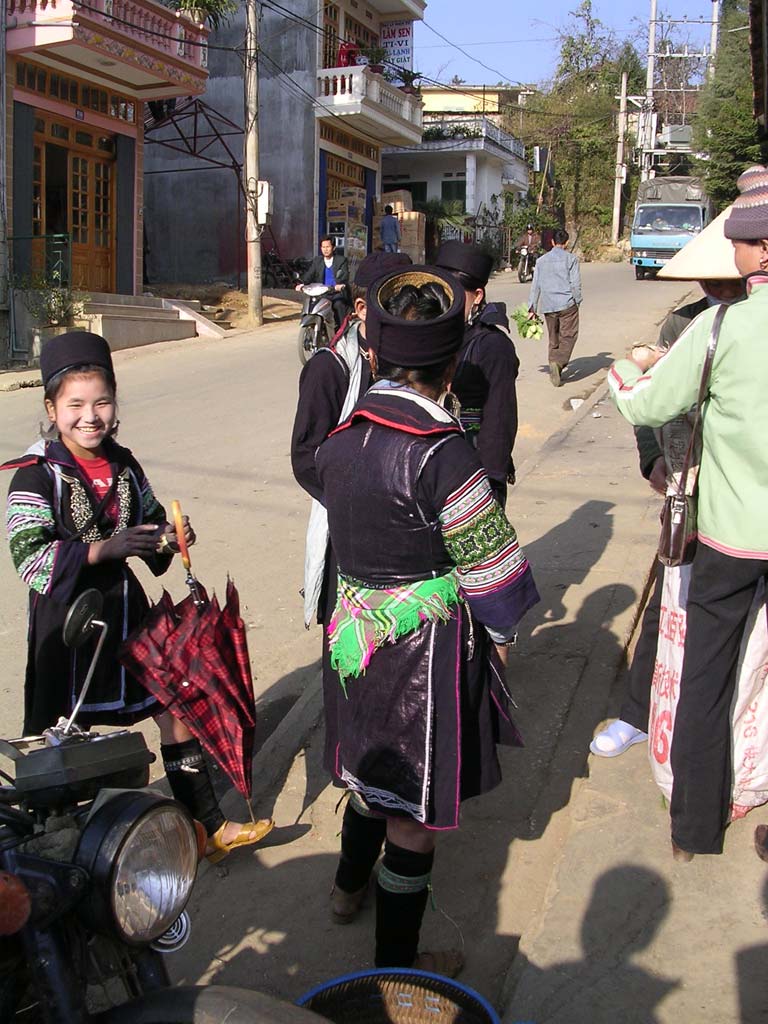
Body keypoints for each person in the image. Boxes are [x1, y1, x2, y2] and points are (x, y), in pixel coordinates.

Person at [316, 265, 539, 972]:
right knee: (411, 822)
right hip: (423, 654)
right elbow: (493, 572)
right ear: (450, 369)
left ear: (374, 355)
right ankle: (395, 970)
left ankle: (345, 890)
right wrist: (501, 643)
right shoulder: (447, 455)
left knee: (366, 780)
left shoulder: (339, 442)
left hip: (353, 642)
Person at [2, 331, 273, 864]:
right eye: (75, 404)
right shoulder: (34, 477)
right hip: (70, 628)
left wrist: (171, 537)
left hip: (127, 614)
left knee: (174, 708)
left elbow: (148, 528)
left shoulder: (124, 466)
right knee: (60, 740)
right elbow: (29, 558)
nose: (90, 416)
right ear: (51, 409)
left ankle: (208, 829)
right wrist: (103, 549)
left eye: (101, 402)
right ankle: (47, 859)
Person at [606, 164, 768, 858]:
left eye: (740, 242)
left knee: (706, 677)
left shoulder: (721, 328)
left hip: (733, 540)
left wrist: (626, 369)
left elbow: (644, 405)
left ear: (759, 251)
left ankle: (694, 829)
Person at [590, 275, 746, 759]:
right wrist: (653, 458)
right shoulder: (685, 322)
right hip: (688, 496)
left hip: (743, 505)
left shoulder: (751, 319)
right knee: (667, 603)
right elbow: (649, 405)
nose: (716, 285)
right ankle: (640, 713)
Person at [291, 251, 412, 783]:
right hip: (347, 538)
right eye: (395, 304)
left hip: (398, 538)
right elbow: (305, 456)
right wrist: (356, 504)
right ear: (362, 309)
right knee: (347, 658)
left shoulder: (406, 365)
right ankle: (349, 770)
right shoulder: (330, 369)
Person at [435, 240, 520, 505]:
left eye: (455, 294)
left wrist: (488, 488)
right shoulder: (433, 338)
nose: (445, 302)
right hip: (435, 471)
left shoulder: (493, 346)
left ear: (478, 296)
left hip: (475, 474)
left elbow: (500, 420)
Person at [528, 227, 582, 388]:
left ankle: (553, 361)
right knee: (569, 335)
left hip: (548, 305)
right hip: (567, 304)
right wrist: (577, 301)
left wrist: (532, 307)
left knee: (554, 337)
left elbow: (535, 286)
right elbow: (575, 284)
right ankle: (558, 363)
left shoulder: (541, 261)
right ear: (566, 243)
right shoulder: (571, 259)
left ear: (552, 242)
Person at [296, 235, 350, 329]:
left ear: (333, 248)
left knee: (338, 305)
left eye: (328, 247)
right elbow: (310, 274)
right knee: (309, 303)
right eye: (323, 247)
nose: (325, 249)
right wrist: (301, 284)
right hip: (321, 293)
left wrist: (339, 285)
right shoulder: (317, 261)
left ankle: (343, 331)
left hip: (336, 293)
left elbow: (344, 276)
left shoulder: (341, 260)